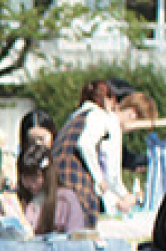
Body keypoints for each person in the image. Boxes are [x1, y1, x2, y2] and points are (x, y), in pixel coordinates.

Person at [54, 79, 135, 224]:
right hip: (78, 187)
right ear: (108, 99)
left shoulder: (75, 116)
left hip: (59, 184)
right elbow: (84, 144)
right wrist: (99, 179)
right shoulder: (98, 115)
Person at [13, 111, 86, 236]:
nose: (37, 144)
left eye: (41, 139)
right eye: (31, 140)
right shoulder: (18, 198)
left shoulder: (65, 197)